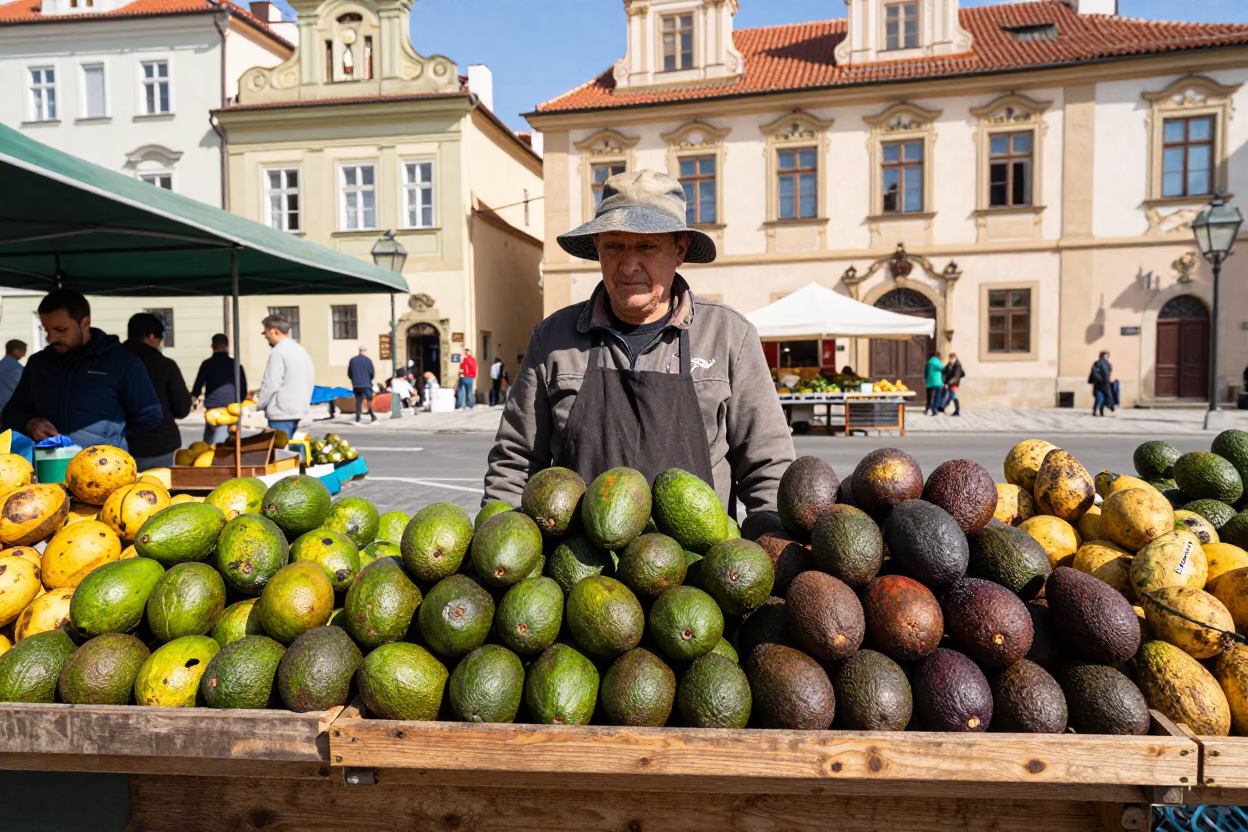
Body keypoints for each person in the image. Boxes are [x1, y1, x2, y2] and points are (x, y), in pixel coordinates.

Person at [484, 169, 795, 513]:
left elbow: (769, 471)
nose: (629, 266)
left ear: (679, 251)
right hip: (580, 565)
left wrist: (769, 551)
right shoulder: (553, 340)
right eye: (615, 246)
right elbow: (515, 466)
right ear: (598, 250)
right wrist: (497, 543)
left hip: (703, 565)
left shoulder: (728, 336)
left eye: (647, 246)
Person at [1, 289, 161, 449]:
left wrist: (111, 437)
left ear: (85, 323)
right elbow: (11, 414)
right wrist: (29, 424)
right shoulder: (38, 364)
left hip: (104, 467)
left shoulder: (122, 362)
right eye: (46, 330)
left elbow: (150, 416)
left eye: (60, 330)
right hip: (51, 467)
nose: (51, 338)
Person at [122, 313, 192, 470]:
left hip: (120, 447)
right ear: (151, 336)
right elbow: (182, 408)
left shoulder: (110, 362)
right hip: (160, 445)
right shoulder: (164, 365)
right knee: (160, 492)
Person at [255, 312, 315, 438]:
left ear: (274, 332)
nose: (265, 336)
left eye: (265, 332)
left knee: (280, 454)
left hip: (281, 414)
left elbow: (271, 384)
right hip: (300, 410)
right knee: (296, 455)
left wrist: (259, 404)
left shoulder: (278, 352)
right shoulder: (300, 350)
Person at [191, 333, 247, 445]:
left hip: (213, 406)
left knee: (209, 440)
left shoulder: (207, 364)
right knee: (233, 439)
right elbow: (243, 388)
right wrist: (239, 403)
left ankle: (207, 457)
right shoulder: (236, 364)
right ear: (227, 346)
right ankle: (233, 459)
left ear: (213, 346)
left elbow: (198, 385)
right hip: (232, 407)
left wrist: (193, 399)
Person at [348, 346, 377, 423]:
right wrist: (369, 379)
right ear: (364, 351)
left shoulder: (353, 360)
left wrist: (353, 379)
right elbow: (372, 373)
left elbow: (349, 373)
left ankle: (358, 417)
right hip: (366, 383)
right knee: (369, 399)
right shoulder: (368, 360)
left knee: (358, 400)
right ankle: (371, 414)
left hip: (356, 384)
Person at [0, 340, 26, 414]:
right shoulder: (17, 368)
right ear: (15, 351)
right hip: (8, 409)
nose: (24, 355)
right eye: (23, 351)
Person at [1090, 351, 1115, 417]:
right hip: (1099, 384)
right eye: (1104, 356)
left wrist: (1110, 379)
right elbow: (1094, 372)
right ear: (1101, 356)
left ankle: (1101, 411)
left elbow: (1109, 373)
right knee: (1099, 398)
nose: (1105, 357)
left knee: (1104, 398)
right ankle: (1095, 410)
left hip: (1106, 384)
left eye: (1106, 356)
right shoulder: (1097, 363)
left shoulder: (1108, 364)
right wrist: (1100, 379)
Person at [940, 352, 965, 417]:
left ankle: (957, 411)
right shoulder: (949, 365)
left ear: (955, 358)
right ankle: (942, 408)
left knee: (953, 397)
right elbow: (944, 372)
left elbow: (956, 376)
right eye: (950, 358)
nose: (951, 359)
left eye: (952, 358)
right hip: (949, 383)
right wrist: (944, 381)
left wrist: (948, 383)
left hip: (954, 384)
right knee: (947, 396)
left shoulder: (958, 365)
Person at [924, 351, 944, 416]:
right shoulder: (937, 362)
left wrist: (927, 380)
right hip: (937, 382)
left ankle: (927, 409)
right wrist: (941, 362)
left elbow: (925, 373)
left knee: (929, 397)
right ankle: (934, 410)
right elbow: (942, 368)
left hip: (929, 383)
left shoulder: (928, 362)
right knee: (936, 397)